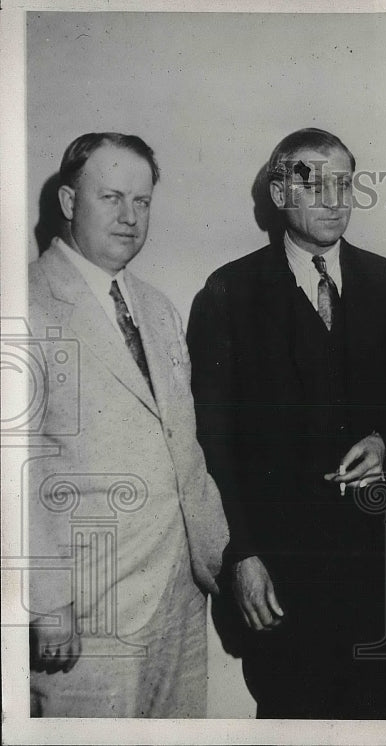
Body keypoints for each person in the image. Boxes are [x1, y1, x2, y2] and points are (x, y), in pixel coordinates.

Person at [186, 128, 386, 718]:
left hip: (378, 576)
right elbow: (211, 443)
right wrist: (240, 554)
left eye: (344, 183)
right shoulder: (227, 294)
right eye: (311, 180)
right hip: (280, 579)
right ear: (277, 191)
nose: (332, 197)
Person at [27, 132, 229, 717]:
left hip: (179, 596)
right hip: (86, 610)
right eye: (111, 197)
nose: (130, 217)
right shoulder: (25, 304)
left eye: (142, 202)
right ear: (68, 202)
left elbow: (180, 446)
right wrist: (46, 601)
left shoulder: (159, 307)